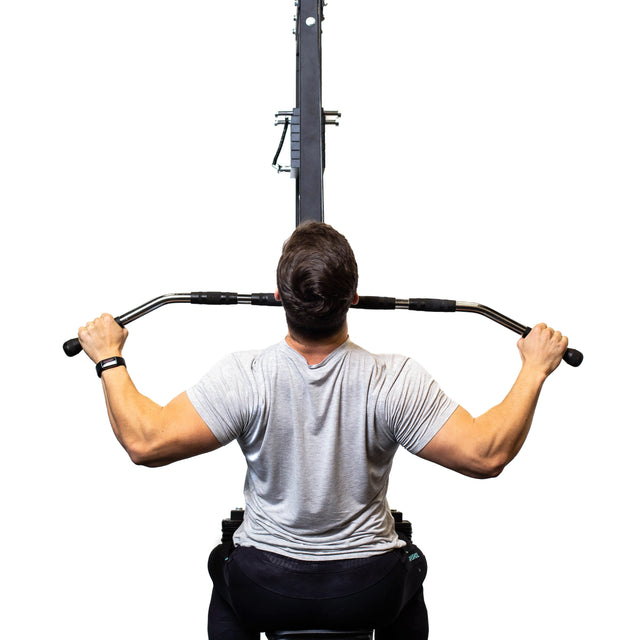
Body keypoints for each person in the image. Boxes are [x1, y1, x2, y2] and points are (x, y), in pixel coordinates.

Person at [77, 222, 569, 639]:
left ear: (278, 297)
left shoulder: (244, 377)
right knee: (410, 577)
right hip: (366, 590)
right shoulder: (392, 379)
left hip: (265, 586)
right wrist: (534, 368)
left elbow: (145, 440)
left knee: (224, 578)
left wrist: (108, 357)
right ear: (353, 297)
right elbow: (486, 454)